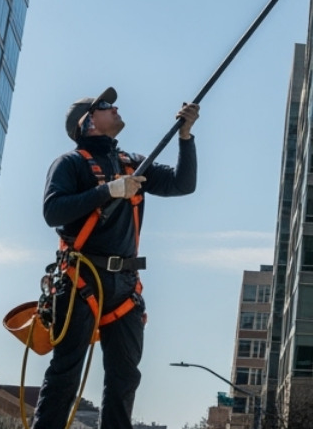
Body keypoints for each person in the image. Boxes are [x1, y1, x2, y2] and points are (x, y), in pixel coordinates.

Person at [31, 87, 199, 429]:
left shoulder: (133, 164)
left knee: (124, 380)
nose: (116, 108)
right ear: (88, 121)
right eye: (106, 106)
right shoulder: (71, 163)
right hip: (81, 279)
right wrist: (108, 191)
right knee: (66, 374)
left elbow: (184, 184)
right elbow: (53, 210)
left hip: (124, 285)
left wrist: (185, 136)